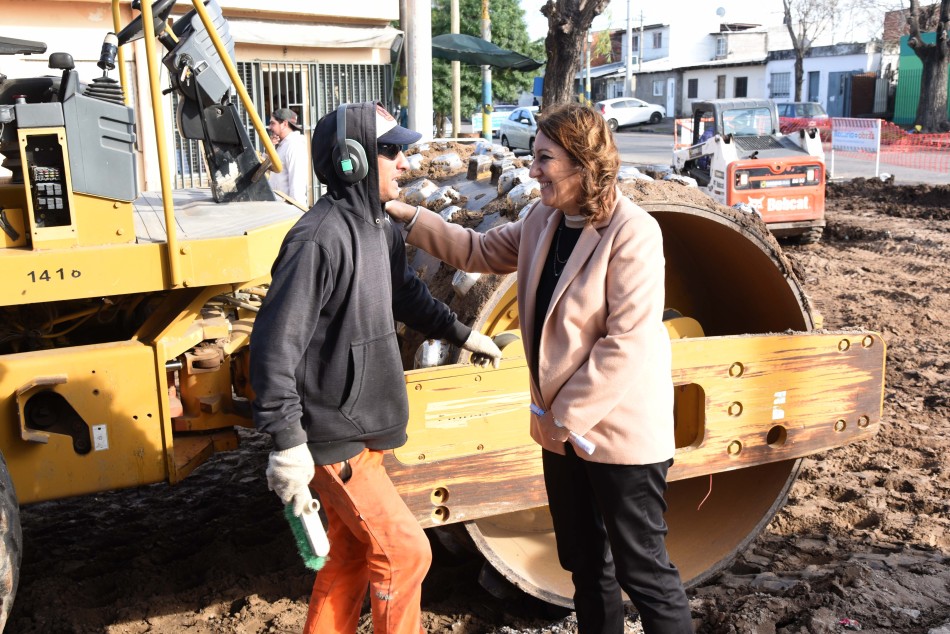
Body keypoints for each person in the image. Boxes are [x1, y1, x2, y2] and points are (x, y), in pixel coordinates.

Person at [383, 102, 693, 634]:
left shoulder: (633, 233)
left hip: (618, 435)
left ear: (583, 162)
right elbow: (476, 250)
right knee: (584, 566)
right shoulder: (542, 221)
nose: (531, 172)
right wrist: (408, 215)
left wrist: (563, 417)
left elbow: (627, 343)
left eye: (543, 159)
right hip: (561, 434)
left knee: (643, 573)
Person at [249, 101, 502, 634]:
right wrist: (287, 443)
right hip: (333, 433)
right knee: (406, 554)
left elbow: (406, 296)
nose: (405, 164)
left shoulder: (379, 227)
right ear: (352, 160)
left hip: (364, 425)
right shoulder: (317, 240)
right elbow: (274, 347)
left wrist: (464, 334)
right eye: (392, 152)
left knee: (344, 556)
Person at [268, 107, 309, 204]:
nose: (269, 127)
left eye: (273, 123)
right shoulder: (283, 145)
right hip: (280, 208)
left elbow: (297, 184)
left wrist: (297, 212)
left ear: (284, 124)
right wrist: (269, 148)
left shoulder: (294, 145)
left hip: (288, 210)